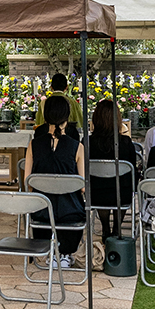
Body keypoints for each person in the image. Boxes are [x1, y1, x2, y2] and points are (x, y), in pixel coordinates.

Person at [24, 94, 86, 268]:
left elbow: (28, 182)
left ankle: (49, 251)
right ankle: (65, 253)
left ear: (45, 117)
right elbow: (82, 187)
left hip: (41, 212)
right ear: (67, 118)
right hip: (71, 212)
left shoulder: (33, 145)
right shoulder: (77, 147)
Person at [88, 100, 136, 239]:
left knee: (101, 188)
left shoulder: (88, 142)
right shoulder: (126, 143)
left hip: (96, 194)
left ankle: (105, 227)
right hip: (122, 194)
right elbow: (132, 170)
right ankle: (116, 228)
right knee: (122, 187)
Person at [34, 73, 83, 140]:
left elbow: (39, 123)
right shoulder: (73, 103)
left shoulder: (44, 103)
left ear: (51, 87)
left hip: (46, 138)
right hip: (69, 138)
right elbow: (79, 124)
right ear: (66, 87)